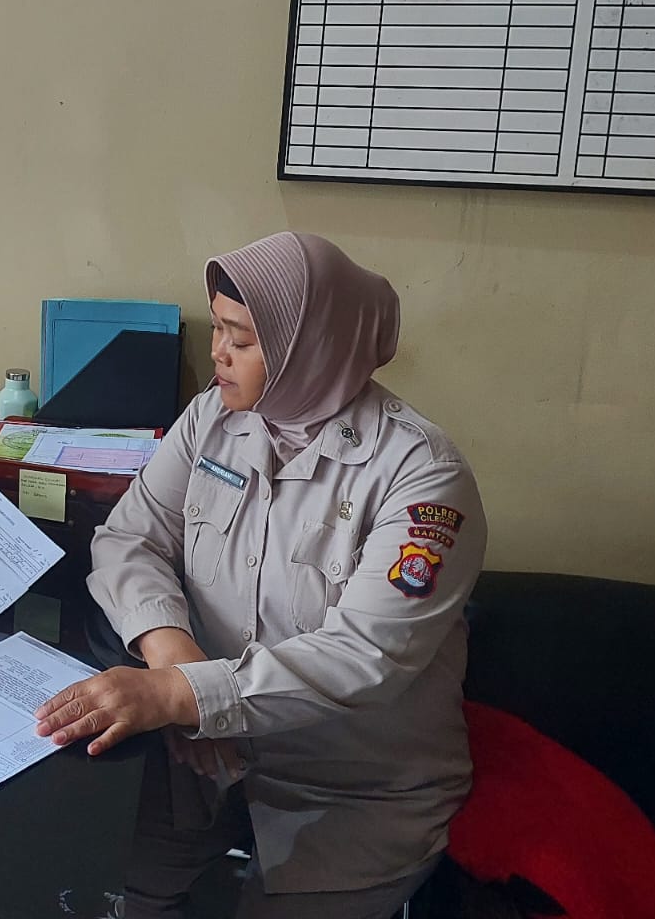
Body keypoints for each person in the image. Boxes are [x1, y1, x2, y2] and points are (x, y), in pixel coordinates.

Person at [34, 232, 487, 918]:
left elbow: (364, 655)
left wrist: (182, 694)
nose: (217, 352)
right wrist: (174, 658)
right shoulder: (213, 418)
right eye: (217, 327)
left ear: (314, 348)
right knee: (98, 893)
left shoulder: (422, 476)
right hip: (200, 757)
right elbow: (131, 536)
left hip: (348, 789)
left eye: (240, 338)